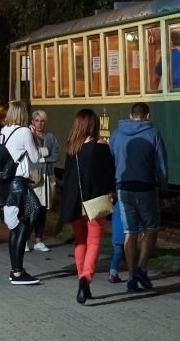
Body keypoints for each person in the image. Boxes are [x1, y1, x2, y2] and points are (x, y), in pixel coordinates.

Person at [55, 109, 116, 304]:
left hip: (75, 203)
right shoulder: (100, 146)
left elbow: (69, 178)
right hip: (95, 202)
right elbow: (109, 174)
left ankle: (83, 282)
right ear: (93, 125)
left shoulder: (72, 149)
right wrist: (111, 191)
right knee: (94, 241)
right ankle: (85, 279)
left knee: (80, 241)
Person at [109, 102, 168, 292]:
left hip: (123, 188)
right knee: (152, 226)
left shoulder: (116, 134)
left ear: (130, 115)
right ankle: (141, 267)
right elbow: (161, 167)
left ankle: (131, 279)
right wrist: (164, 190)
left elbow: (110, 163)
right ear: (147, 116)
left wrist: (111, 188)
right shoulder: (153, 134)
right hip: (146, 188)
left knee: (130, 231)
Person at [0, 101, 41, 285]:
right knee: (23, 226)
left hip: (6, 184)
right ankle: (17, 273)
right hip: (19, 184)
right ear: (23, 114)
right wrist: (33, 137)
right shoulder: (24, 132)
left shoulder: (3, 131)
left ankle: (15, 269)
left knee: (15, 228)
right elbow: (36, 159)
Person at [27, 110, 59, 252]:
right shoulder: (28, 137)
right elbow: (29, 155)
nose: (39, 123)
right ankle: (25, 239)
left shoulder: (50, 137)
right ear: (32, 122)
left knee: (44, 209)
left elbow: (56, 154)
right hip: (35, 177)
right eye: (37, 120)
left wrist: (41, 157)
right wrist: (44, 151)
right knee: (35, 210)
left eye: (42, 121)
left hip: (48, 177)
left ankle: (38, 240)